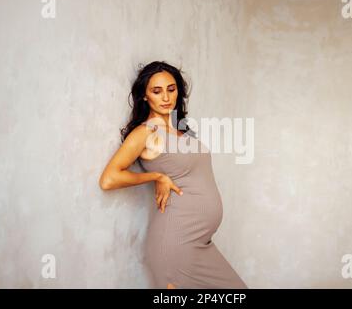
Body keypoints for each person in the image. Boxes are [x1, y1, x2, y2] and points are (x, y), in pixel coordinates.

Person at [99, 61, 248, 289]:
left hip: (200, 242)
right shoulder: (145, 132)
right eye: (156, 91)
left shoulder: (183, 130)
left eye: (171, 89)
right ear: (145, 97)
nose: (166, 97)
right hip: (176, 242)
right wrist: (156, 177)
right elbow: (109, 179)